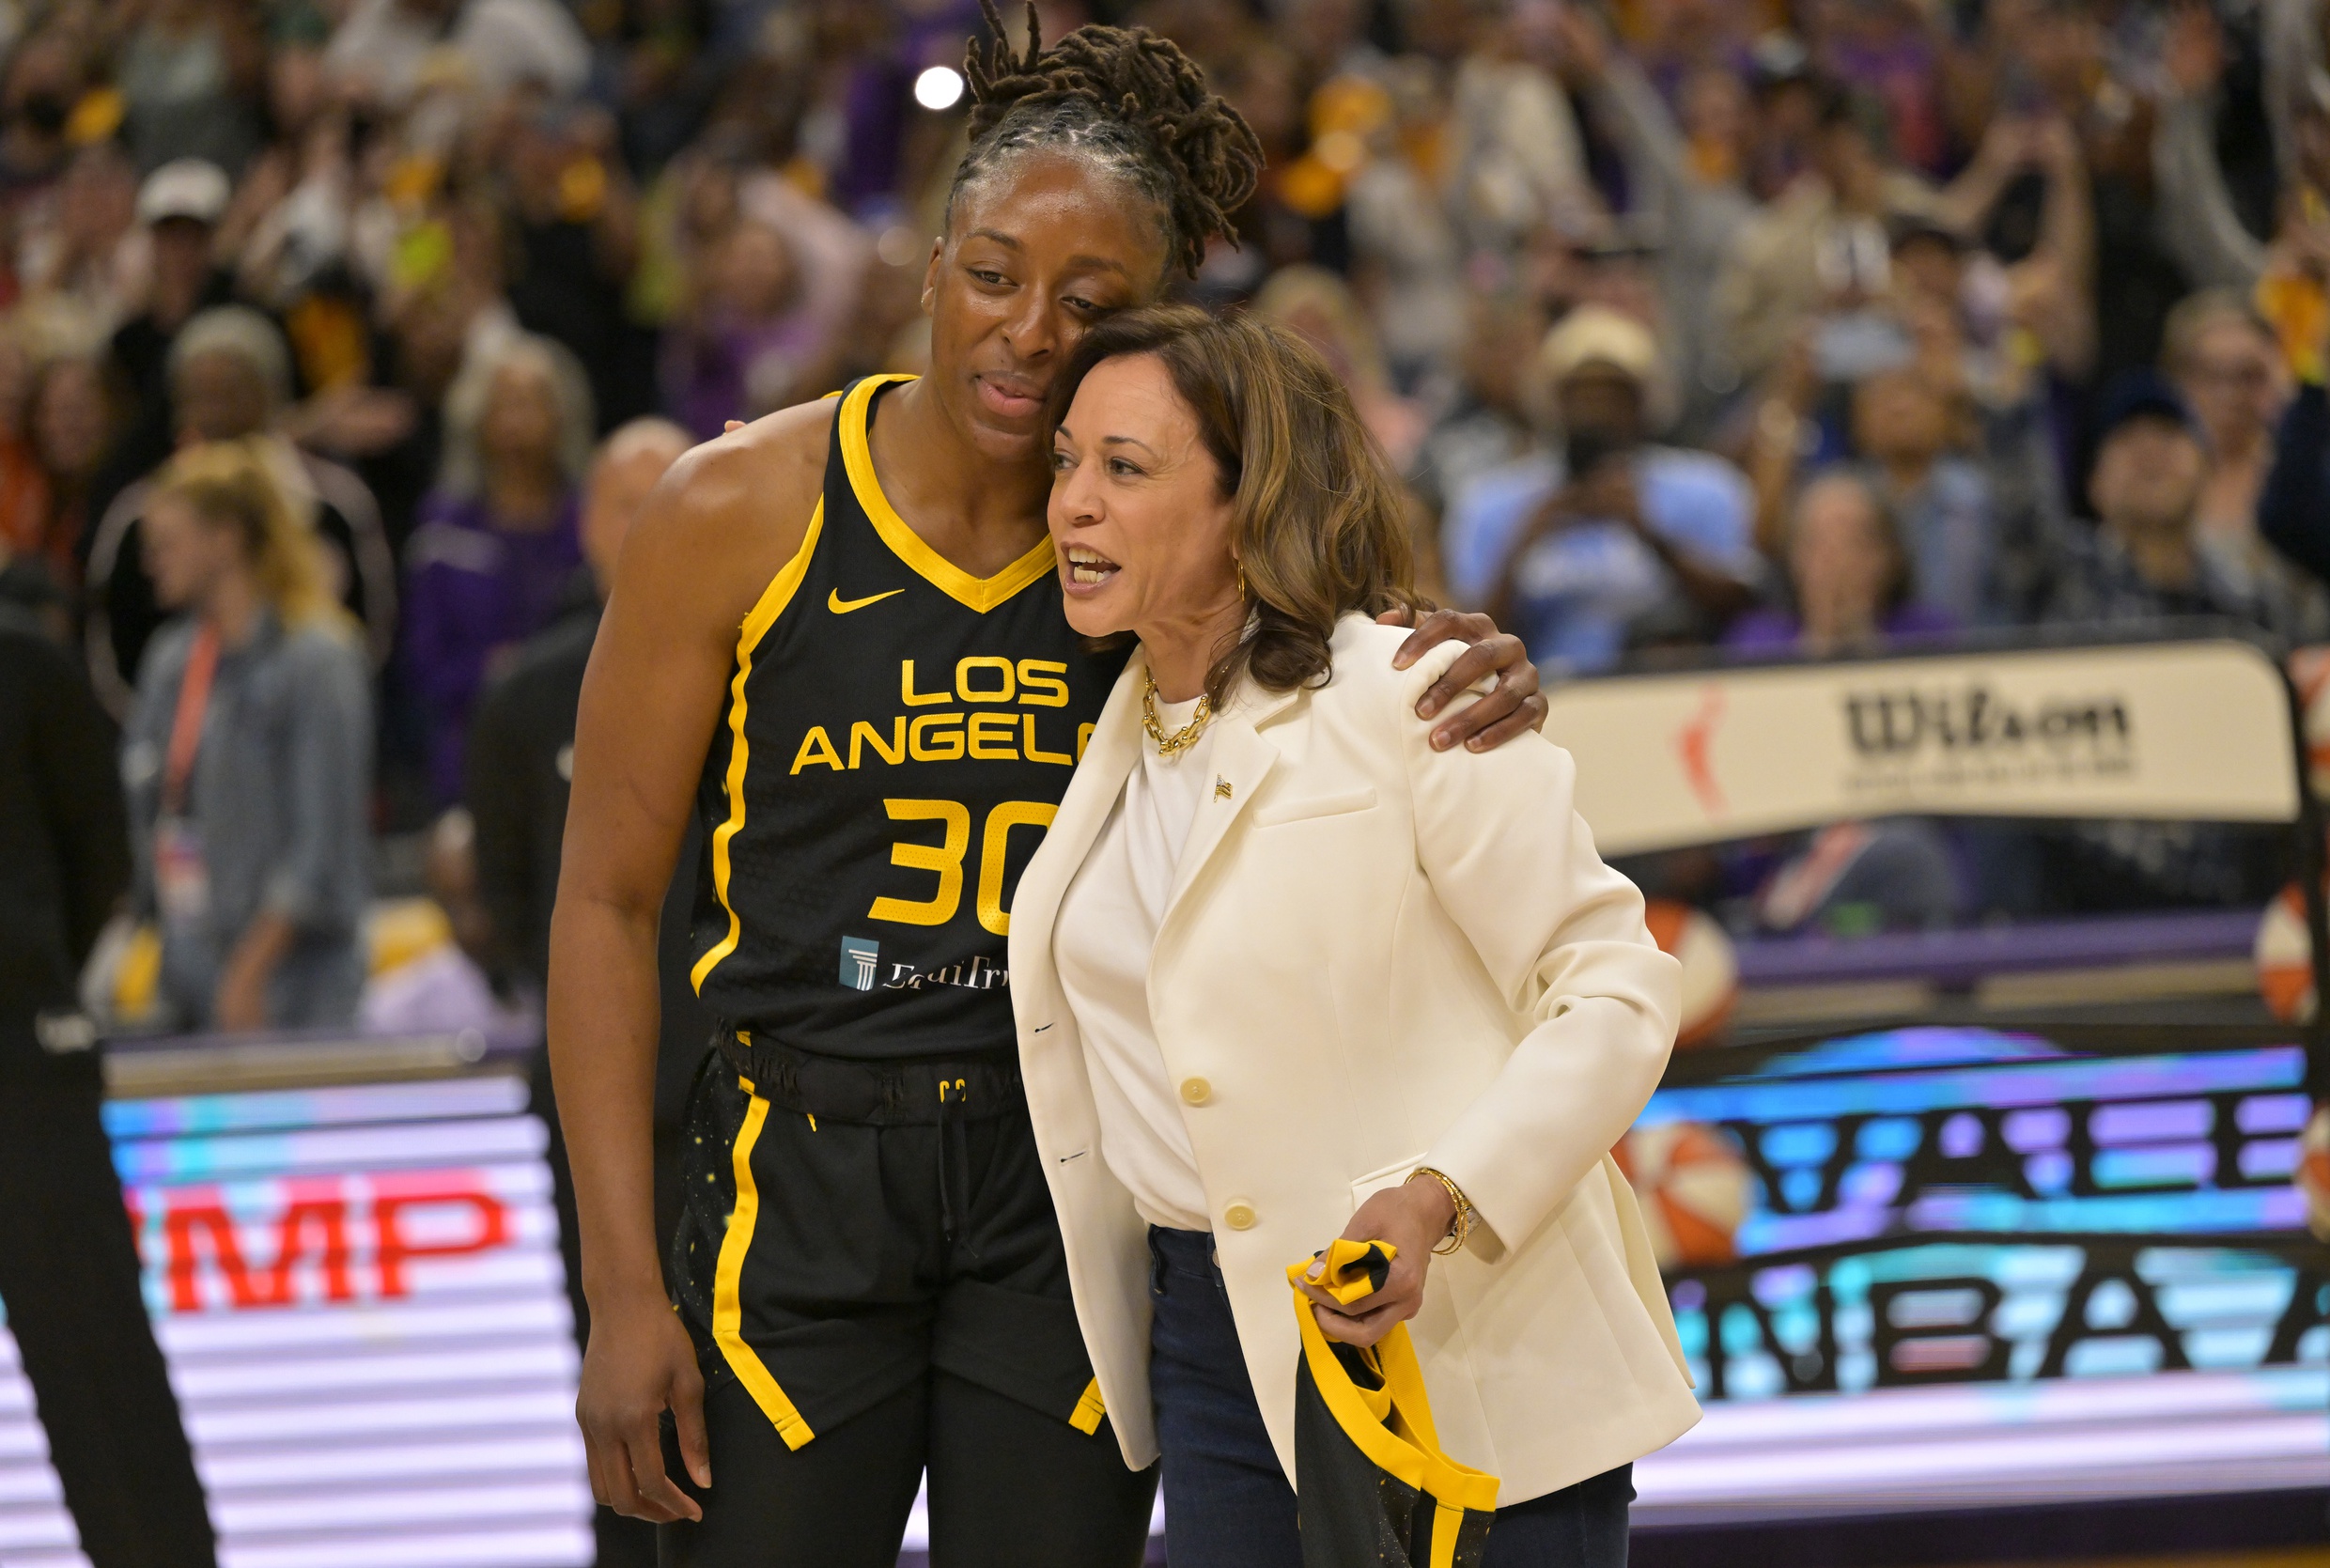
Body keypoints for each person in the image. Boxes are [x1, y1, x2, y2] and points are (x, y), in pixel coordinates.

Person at [548, 7, 1545, 1562]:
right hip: (793, 1175)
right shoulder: (734, 509)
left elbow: (1369, 680)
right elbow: (606, 905)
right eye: (995, 275)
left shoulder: (1188, 536)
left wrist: (1472, 664)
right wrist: (619, 1289)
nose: (1025, 331)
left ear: (1155, 329)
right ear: (931, 265)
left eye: (1089, 305)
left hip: (1064, 1180)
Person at [1010, 303, 1693, 1568]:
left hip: (1465, 1336)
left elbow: (1616, 989)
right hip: (1207, 1348)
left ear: (1246, 505)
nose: (1071, 505)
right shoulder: (1096, 730)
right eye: (1064, 462)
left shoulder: (1411, 689)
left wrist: (1438, 1198)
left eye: (1124, 467)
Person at [468, 416, 706, 1568]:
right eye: (625, 500)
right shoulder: (525, 696)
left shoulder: (776, 666)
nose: (651, 521)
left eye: (672, 493)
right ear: (585, 525)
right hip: (605, 1105)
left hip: (754, 1088)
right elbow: (515, 898)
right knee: (617, 1385)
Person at [0, 611, 219, 1568]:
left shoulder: (27, 668)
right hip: (28, 1048)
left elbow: (103, 864)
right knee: (105, 1384)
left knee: (104, 1382)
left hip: (23, 1060)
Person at [121, 439, 371, 1032]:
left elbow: (322, 845)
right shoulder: (171, 663)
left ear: (225, 539)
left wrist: (249, 973)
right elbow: (152, 808)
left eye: (167, 543)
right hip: (190, 971)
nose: (151, 562)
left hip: (298, 985)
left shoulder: (318, 660)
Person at [83, 304, 395, 712]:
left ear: (270, 395)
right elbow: (113, 650)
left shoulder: (331, 502)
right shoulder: (141, 513)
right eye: (198, 396)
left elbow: (371, 633)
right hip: (176, 730)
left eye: (230, 393)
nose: (214, 412)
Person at [1465, 304, 1759, 673]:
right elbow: (1470, 639)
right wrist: (1525, 541)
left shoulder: (1706, 488)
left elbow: (1745, 611)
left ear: (1644, 402)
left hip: (1678, 688)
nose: (1595, 412)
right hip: (1542, 691)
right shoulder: (1495, 503)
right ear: (1552, 403)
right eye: (1579, 395)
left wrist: (1649, 533)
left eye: (1613, 395)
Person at [401, 331, 592, 805]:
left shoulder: (591, 522)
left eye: (533, 402)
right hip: (469, 752)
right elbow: (422, 663)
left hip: (580, 748)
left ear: (562, 415)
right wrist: (492, 670)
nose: (518, 421)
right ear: (477, 418)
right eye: (504, 404)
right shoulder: (444, 529)